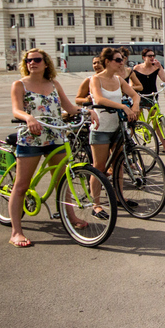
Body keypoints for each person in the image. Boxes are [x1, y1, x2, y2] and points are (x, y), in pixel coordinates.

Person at [9, 48, 96, 247]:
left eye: (37, 60)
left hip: (56, 137)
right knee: (22, 185)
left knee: (62, 181)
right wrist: (28, 117)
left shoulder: (54, 84)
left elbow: (69, 107)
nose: (33, 63)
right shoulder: (19, 85)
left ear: (46, 63)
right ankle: (16, 232)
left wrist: (86, 112)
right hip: (32, 139)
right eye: (29, 60)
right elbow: (16, 109)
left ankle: (71, 217)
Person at [89, 48, 140, 218]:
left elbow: (135, 94)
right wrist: (123, 107)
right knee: (99, 167)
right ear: (108, 62)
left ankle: (119, 197)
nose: (122, 62)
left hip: (117, 128)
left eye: (122, 59)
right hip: (101, 128)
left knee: (118, 165)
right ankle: (96, 204)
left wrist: (135, 105)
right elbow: (99, 99)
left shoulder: (118, 79)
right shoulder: (96, 79)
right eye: (118, 60)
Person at [133, 48, 165, 154]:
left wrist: (160, 67)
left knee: (157, 122)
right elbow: (132, 83)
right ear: (143, 57)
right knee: (134, 121)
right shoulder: (137, 68)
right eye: (149, 56)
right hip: (139, 97)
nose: (152, 57)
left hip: (152, 96)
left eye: (153, 55)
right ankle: (130, 144)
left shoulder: (156, 67)